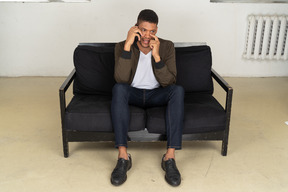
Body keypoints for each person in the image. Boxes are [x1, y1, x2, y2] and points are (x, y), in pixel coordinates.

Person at [111, 9, 184, 186]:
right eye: (143, 30)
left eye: (152, 31)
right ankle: (123, 157)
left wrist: (157, 56)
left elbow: (170, 82)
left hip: (156, 94)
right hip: (133, 93)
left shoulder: (167, 46)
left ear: (156, 31)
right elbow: (121, 78)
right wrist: (128, 45)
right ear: (136, 28)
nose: (147, 35)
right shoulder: (122, 46)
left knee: (178, 90)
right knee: (118, 89)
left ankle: (169, 157)